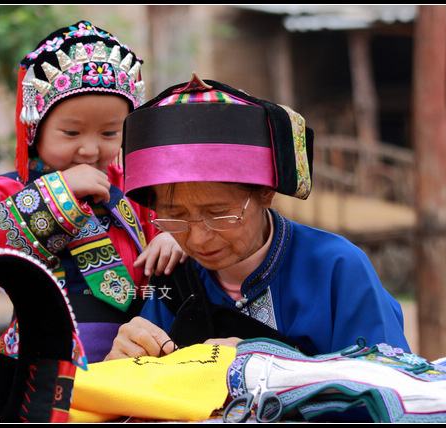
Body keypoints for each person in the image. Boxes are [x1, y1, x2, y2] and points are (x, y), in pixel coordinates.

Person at [105, 75, 411, 360]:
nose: (197, 239)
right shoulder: (176, 276)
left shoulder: (337, 269)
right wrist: (122, 362)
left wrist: (266, 360)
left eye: (219, 215)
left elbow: (390, 384)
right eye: (175, 217)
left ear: (266, 193)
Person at [0, 21, 185, 362]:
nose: (89, 149)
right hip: (43, 359)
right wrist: (61, 191)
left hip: (134, 355)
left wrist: (174, 239)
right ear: (34, 128)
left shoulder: (137, 189)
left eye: (110, 133)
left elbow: (178, 227)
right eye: (71, 132)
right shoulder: (9, 189)